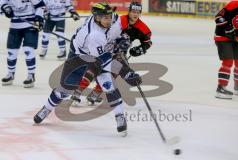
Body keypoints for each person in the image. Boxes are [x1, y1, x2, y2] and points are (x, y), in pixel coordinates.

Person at [33, 2, 142, 136]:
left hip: (96, 53)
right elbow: (106, 59)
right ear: (97, 18)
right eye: (106, 17)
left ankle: (119, 116)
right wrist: (127, 73)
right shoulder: (93, 35)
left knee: (108, 85)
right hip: (79, 58)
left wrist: (121, 39)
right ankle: (47, 108)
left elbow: (113, 34)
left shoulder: (109, 19)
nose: (110, 19)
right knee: (65, 90)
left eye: (110, 16)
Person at [85, 1, 152, 104]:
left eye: (138, 12)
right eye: (133, 11)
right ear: (129, 11)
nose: (135, 14)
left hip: (120, 53)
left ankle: (95, 93)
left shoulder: (142, 27)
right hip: (106, 48)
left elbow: (147, 42)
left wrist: (139, 49)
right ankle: (79, 89)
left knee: (114, 72)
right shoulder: (119, 20)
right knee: (96, 69)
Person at [0, 0, 45, 88]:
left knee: (28, 50)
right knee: (11, 52)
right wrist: (5, 7)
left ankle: (31, 75)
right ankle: (10, 74)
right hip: (14, 26)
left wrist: (39, 18)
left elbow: (40, 5)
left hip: (30, 25)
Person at [215, 0, 238, 99]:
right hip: (223, 37)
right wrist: (228, 29)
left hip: (236, 40)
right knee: (228, 62)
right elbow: (218, 18)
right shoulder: (234, 4)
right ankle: (221, 88)